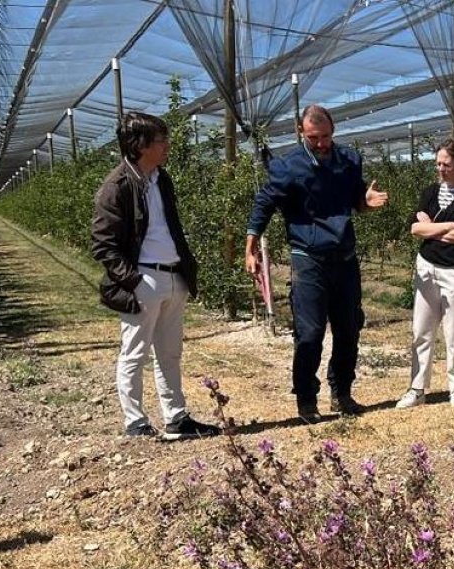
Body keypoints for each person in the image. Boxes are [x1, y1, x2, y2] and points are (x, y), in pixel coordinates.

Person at [245, 104, 388, 423]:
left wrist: (367, 203)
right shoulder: (288, 167)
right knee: (309, 333)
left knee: (348, 328)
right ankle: (307, 398)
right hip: (308, 259)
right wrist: (251, 246)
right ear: (301, 133)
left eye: (325, 136)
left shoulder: (350, 160)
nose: (321, 143)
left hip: (345, 258)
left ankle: (342, 393)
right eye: (313, 138)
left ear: (333, 130)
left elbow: (355, 202)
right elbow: (264, 204)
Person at [91, 111, 220, 440]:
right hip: (144, 279)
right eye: (161, 140)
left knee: (170, 352)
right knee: (134, 353)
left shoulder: (161, 178)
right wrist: (134, 282)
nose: (167, 145)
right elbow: (103, 245)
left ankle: (177, 418)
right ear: (139, 145)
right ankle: (135, 422)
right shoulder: (116, 186)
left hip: (174, 276)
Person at [396, 139, 454, 409]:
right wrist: (448, 226)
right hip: (427, 267)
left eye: (446, 164)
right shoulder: (430, 192)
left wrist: (432, 229)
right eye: (438, 164)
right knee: (421, 330)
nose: (441, 169)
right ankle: (417, 388)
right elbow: (415, 230)